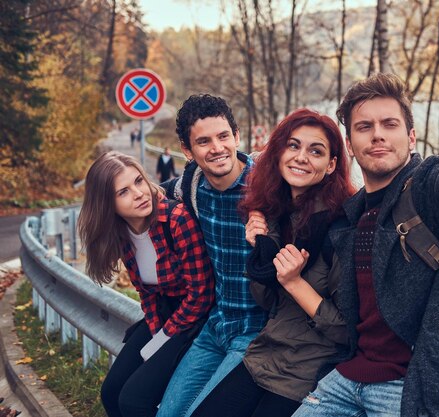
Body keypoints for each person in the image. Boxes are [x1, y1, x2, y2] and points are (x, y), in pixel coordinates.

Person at [291, 57, 439, 417]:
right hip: (346, 378)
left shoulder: (433, 193)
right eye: (364, 127)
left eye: (390, 124)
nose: (378, 134)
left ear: (411, 137)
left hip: (414, 386)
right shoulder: (352, 214)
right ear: (350, 146)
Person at [189, 108, 357, 417]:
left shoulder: (341, 228)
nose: (301, 157)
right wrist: (261, 247)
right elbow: (268, 301)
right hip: (266, 354)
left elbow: (347, 331)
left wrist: (294, 282)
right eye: (293, 145)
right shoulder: (278, 215)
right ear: (278, 153)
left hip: (310, 368)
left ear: (332, 165)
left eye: (315, 151)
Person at [77, 151, 214, 417]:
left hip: (196, 318)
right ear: (107, 205)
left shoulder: (176, 219)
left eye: (139, 181)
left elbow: (202, 294)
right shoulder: (121, 233)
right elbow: (145, 292)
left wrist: (163, 336)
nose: (139, 194)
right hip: (164, 313)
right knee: (111, 392)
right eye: (123, 192)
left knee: (134, 401)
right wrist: (154, 329)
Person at [157, 95, 267, 417]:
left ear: (236, 136)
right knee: (167, 413)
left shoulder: (267, 184)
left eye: (223, 137)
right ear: (187, 151)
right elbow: (154, 194)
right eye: (203, 142)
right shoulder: (192, 185)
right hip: (216, 326)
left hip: (256, 333)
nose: (216, 148)